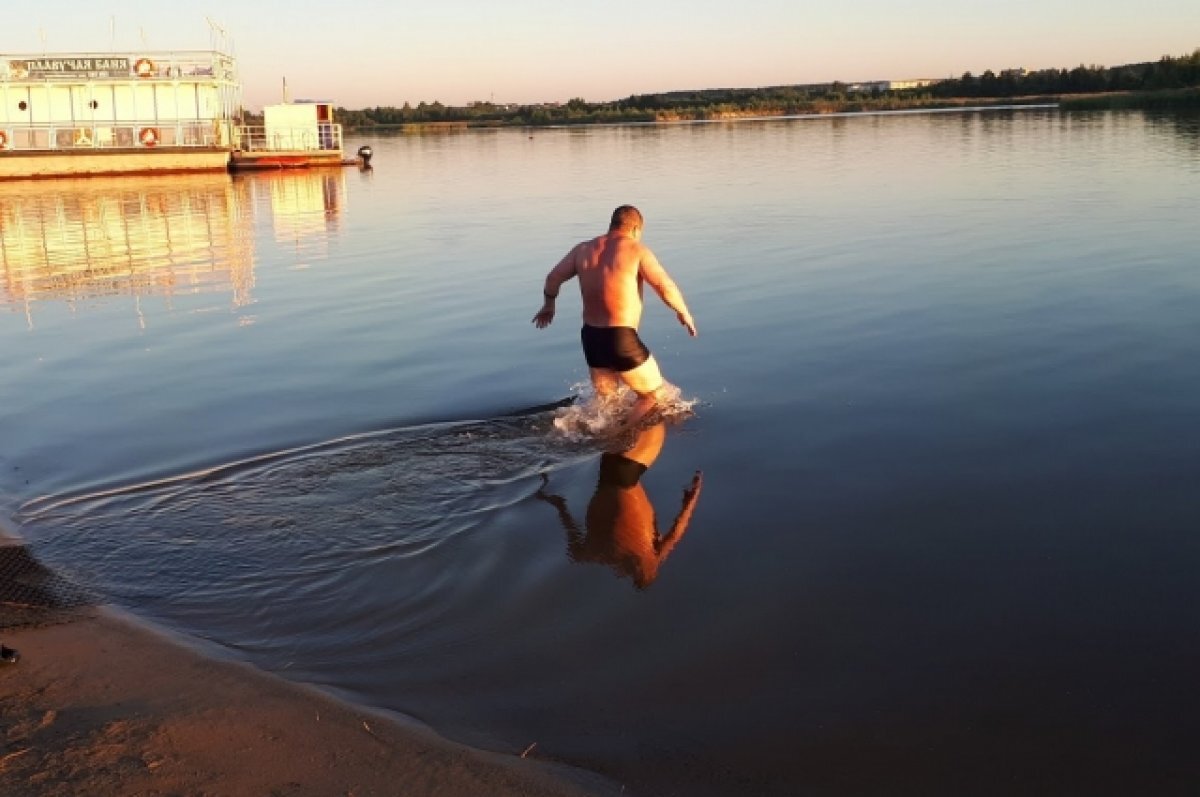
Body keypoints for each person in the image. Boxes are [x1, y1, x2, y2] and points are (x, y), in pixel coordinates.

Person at [532, 205, 697, 428]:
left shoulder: (583, 249)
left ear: (612, 225)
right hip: (621, 337)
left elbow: (553, 277)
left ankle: (600, 435)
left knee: (607, 403)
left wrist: (548, 305)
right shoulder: (636, 250)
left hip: (591, 337)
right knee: (656, 395)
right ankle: (620, 436)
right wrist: (683, 311)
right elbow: (662, 284)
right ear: (636, 228)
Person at [536, 420, 703, 590]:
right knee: (630, 411)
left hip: (626, 472)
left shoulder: (651, 563)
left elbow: (676, 532)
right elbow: (574, 545)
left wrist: (691, 499)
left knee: (656, 413)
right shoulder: (590, 555)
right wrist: (559, 504)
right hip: (607, 467)